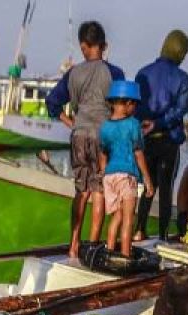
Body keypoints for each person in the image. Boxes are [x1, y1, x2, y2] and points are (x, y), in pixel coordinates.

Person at [45, 21, 125, 259]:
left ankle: (73, 244)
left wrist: (71, 123)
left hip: (79, 135)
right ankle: (92, 246)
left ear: (82, 46)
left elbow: (52, 102)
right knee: (99, 191)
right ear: (104, 46)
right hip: (104, 136)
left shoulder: (73, 74)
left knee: (81, 191)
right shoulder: (115, 73)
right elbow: (122, 108)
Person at [135, 29, 188, 241]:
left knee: (148, 186)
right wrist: (160, 123)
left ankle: (139, 230)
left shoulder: (142, 73)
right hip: (169, 139)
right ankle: (162, 235)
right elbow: (181, 109)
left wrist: (147, 124)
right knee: (166, 189)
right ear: (179, 52)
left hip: (146, 139)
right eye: (184, 54)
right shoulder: (183, 79)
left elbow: (137, 106)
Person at [99, 80, 154, 256]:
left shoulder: (105, 126)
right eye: (135, 105)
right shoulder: (133, 124)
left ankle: (109, 250)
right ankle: (125, 255)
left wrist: (104, 171)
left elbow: (103, 153)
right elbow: (138, 153)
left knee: (117, 216)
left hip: (109, 176)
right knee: (129, 218)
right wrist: (147, 179)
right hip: (127, 176)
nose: (135, 109)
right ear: (129, 103)